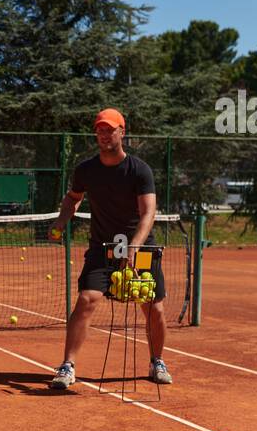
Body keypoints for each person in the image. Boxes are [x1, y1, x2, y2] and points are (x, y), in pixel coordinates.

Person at [46, 108, 173, 390]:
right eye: (100, 130)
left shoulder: (139, 170)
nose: (104, 134)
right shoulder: (86, 170)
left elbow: (148, 212)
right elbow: (72, 199)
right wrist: (60, 222)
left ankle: (157, 361)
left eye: (110, 129)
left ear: (122, 132)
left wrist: (134, 246)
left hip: (139, 248)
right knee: (87, 300)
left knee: (154, 307)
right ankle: (67, 366)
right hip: (102, 248)